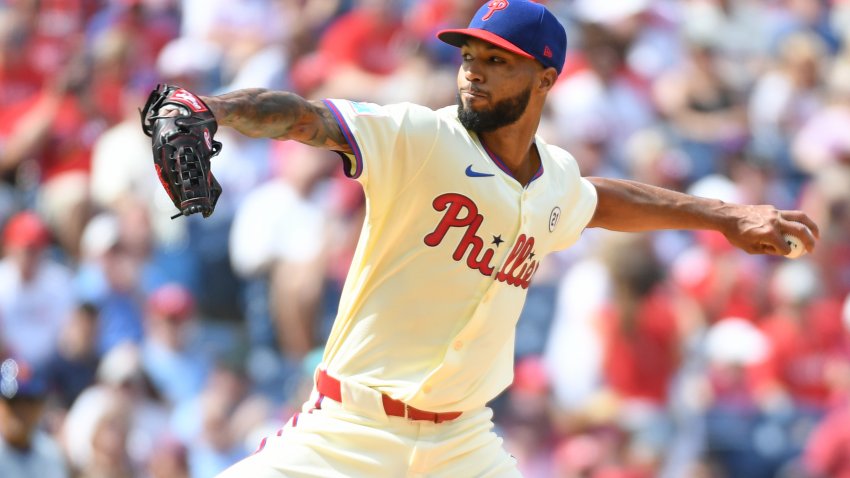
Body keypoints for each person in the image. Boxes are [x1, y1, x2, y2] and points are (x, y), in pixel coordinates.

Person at [154, 2, 819, 476]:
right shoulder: (422, 137)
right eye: (469, 54)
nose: (472, 69)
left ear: (546, 79)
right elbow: (306, 118)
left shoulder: (555, 178)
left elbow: (603, 200)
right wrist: (215, 110)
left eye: (497, 60)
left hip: (462, 445)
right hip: (351, 430)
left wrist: (724, 217)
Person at [0, 357, 69, 478]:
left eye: (29, 402)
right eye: (13, 403)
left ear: (41, 407)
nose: (21, 411)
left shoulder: (51, 454)